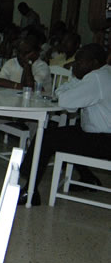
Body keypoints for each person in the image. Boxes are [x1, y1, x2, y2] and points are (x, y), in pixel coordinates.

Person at [18, 43, 110, 205]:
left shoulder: (96, 78)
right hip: (100, 134)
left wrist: (64, 92)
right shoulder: (103, 73)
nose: (75, 65)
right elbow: (66, 93)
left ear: (95, 63)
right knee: (65, 135)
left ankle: (30, 190)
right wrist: (70, 86)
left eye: (80, 62)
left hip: (104, 141)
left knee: (46, 137)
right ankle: (89, 178)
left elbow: (66, 101)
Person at [0, 34, 51, 166]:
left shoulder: (42, 67)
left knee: (37, 126)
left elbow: (31, 87)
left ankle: (33, 158)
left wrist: (27, 66)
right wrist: (18, 86)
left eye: (26, 52)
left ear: (36, 52)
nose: (21, 56)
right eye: (19, 52)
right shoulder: (11, 63)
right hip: (12, 108)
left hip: (35, 110)